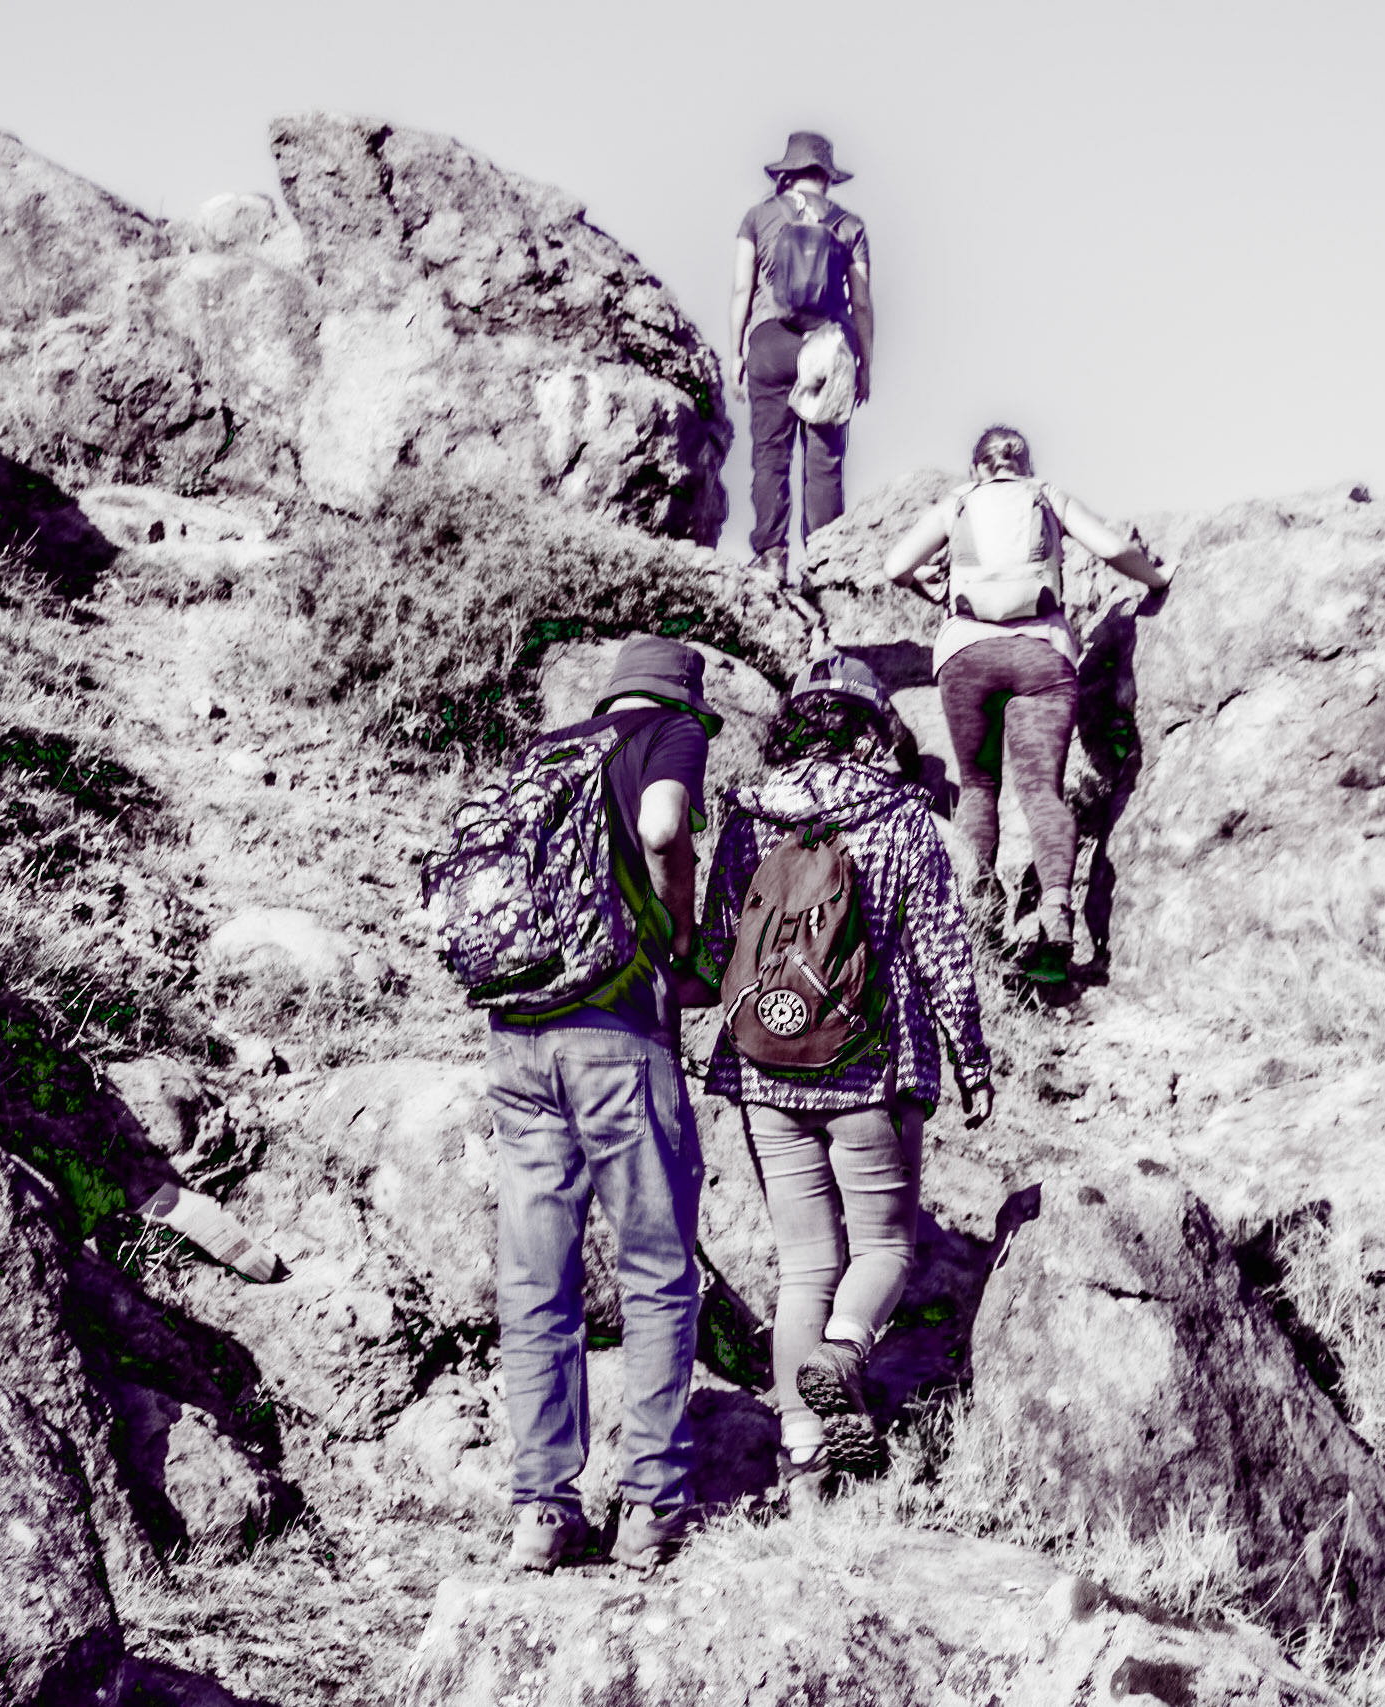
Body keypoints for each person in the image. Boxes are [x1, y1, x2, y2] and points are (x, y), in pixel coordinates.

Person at [699, 653, 991, 1491]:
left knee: (802, 1264)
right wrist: (968, 1060)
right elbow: (939, 947)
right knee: (886, 1246)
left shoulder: (749, 815)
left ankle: (801, 1453)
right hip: (871, 1063)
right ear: (875, 731)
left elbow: (723, 940)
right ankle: (846, 1348)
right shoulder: (901, 815)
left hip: (763, 1067)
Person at [484, 635, 720, 1574]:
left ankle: (542, 1510)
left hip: (518, 1036)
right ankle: (651, 1502)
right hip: (616, 1031)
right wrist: (676, 928)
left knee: (536, 1278)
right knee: (656, 1269)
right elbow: (664, 828)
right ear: (680, 699)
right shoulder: (667, 735)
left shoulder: (547, 752)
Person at [883, 426, 1173, 949]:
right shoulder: (1046, 495)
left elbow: (894, 565)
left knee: (978, 788)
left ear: (977, 468)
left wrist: (923, 583)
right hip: (1041, 653)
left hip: (967, 654)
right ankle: (1057, 909)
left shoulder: (959, 502)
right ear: (1025, 465)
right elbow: (1110, 548)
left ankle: (975, 920)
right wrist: (1156, 577)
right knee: (1041, 791)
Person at [729, 132, 874, 581]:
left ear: (786, 173)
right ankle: (825, 564)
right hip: (829, 347)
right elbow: (863, 302)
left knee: (770, 454)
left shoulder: (758, 217)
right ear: (827, 178)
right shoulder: (849, 225)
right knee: (824, 460)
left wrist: (735, 351)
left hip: (769, 342)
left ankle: (772, 556)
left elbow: (742, 288)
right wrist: (865, 362)